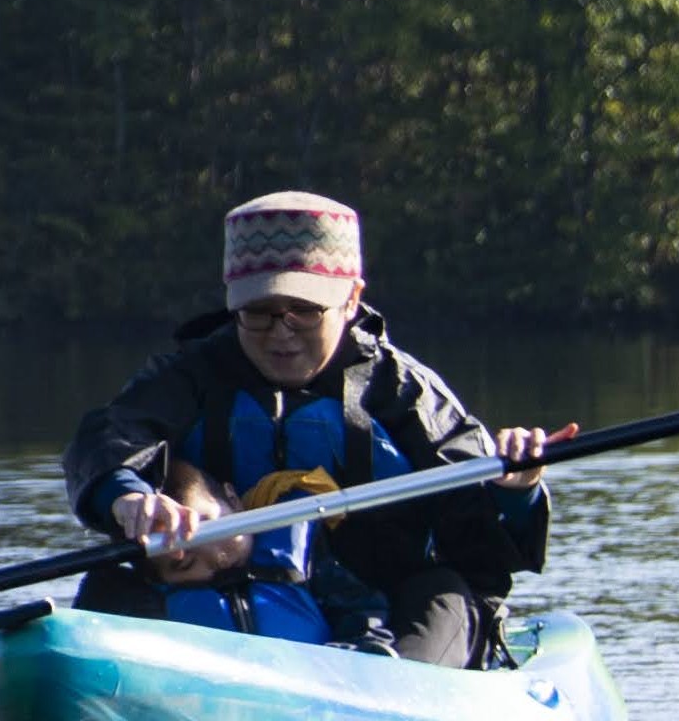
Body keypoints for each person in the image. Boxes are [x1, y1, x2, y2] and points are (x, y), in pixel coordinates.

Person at [59, 190, 560, 665]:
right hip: (221, 603)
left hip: (386, 609)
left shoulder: (404, 393)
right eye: (259, 312)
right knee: (111, 582)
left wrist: (518, 491)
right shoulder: (188, 378)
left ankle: (388, 696)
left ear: (351, 298)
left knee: (443, 590)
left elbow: (482, 537)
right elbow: (108, 439)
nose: (281, 333)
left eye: (304, 311)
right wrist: (126, 495)